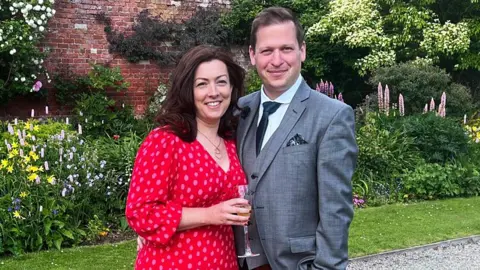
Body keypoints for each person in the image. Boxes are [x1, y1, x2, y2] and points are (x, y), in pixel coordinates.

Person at [234, 7, 358, 270]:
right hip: (237, 262)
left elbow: (335, 209)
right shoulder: (239, 111)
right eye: (267, 51)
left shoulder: (331, 116)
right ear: (253, 55)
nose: (276, 60)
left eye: (286, 49)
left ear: (302, 50)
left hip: (297, 263)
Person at [125, 45, 251, 270]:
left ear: (232, 87)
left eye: (221, 82)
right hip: (173, 262)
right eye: (202, 84)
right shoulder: (165, 141)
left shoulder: (233, 140)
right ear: (187, 90)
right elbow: (141, 214)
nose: (214, 92)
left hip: (223, 261)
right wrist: (210, 214)